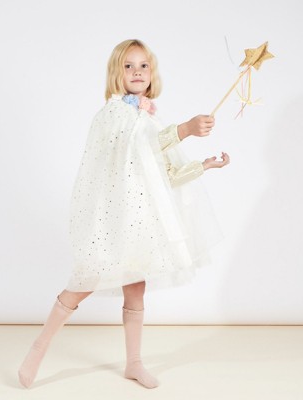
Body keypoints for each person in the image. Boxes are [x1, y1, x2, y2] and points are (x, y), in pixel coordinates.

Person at [18, 39, 230, 390]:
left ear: (152, 73)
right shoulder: (114, 114)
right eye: (128, 66)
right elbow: (139, 149)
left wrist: (202, 166)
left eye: (143, 66)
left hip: (139, 220)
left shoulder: (148, 117)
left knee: (136, 288)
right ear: (117, 73)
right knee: (84, 282)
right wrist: (185, 130)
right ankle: (38, 348)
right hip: (114, 220)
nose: (136, 72)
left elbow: (164, 172)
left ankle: (134, 363)